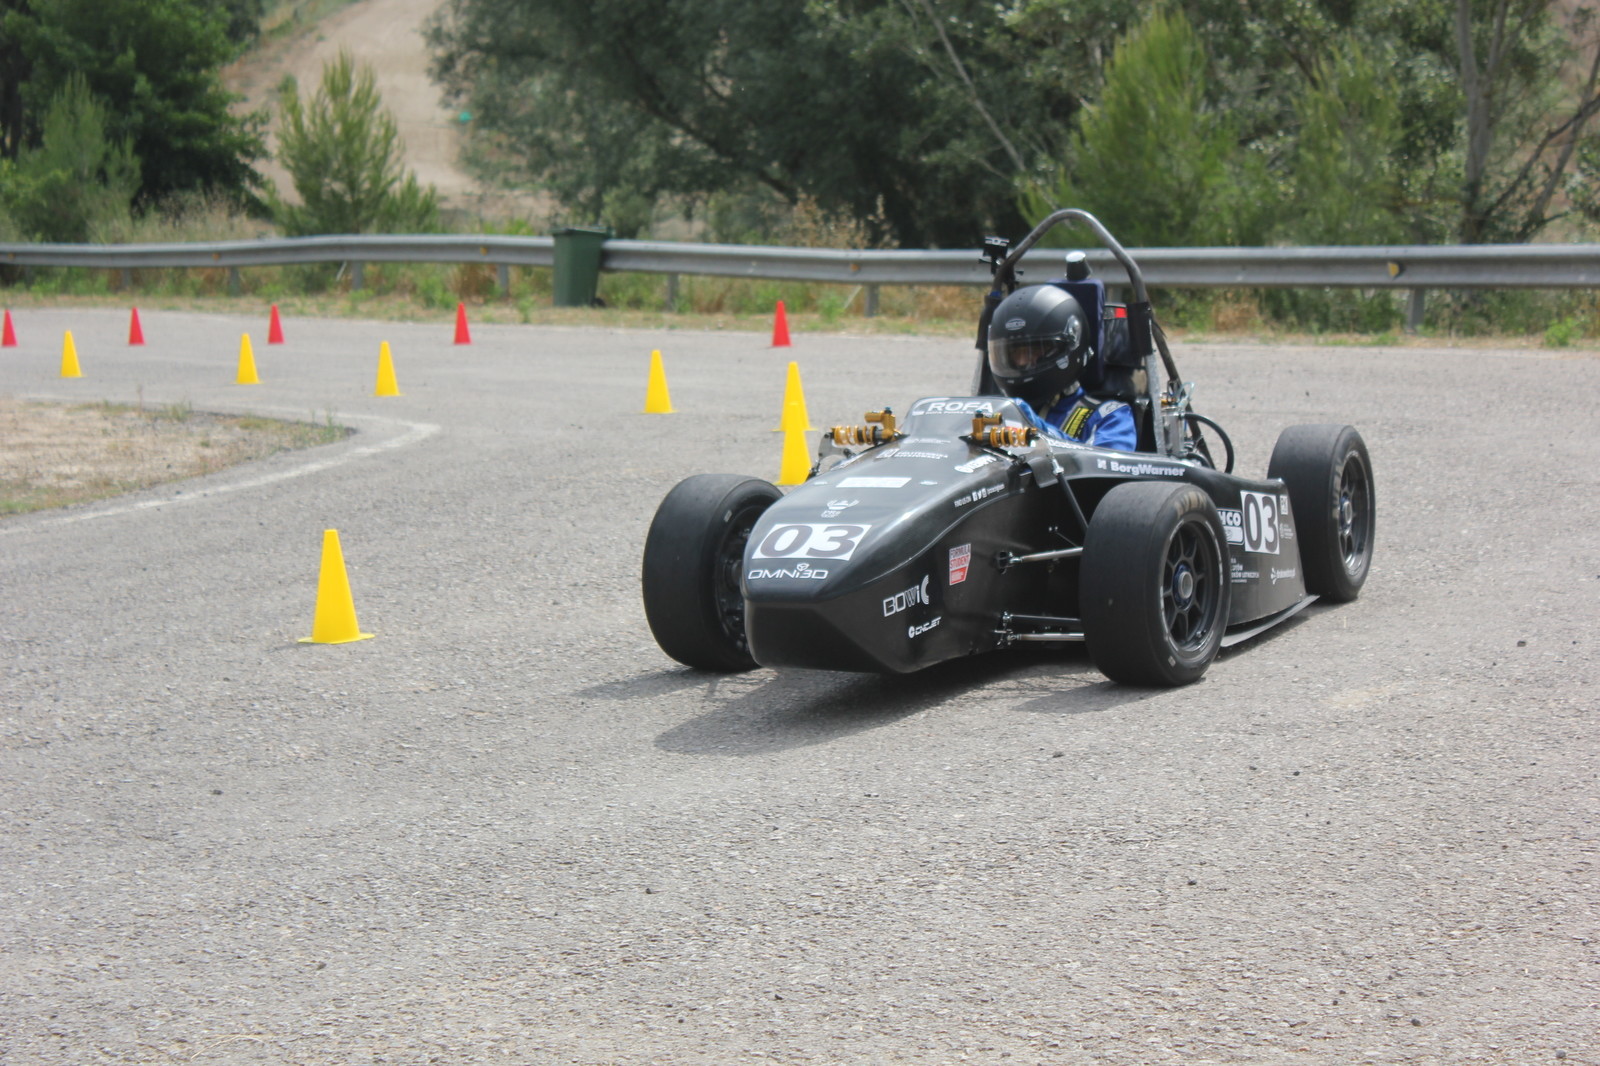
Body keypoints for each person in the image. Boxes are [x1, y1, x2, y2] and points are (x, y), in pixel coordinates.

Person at [986, 283, 1137, 451]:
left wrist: (1035, 430)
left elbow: (1106, 463)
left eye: (1033, 351)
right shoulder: (994, 413)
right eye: (1014, 353)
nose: (1021, 362)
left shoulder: (1110, 417)